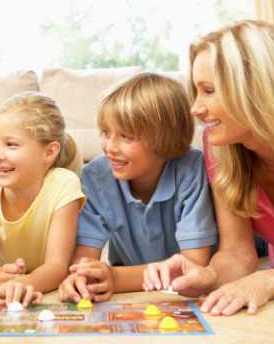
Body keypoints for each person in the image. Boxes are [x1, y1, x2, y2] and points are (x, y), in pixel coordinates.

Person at [143, 19, 274, 315]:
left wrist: (267, 280)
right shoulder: (220, 146)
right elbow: (237, 252)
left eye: (208, 90)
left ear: (256, 90)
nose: (195, 108)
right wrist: (209, 276)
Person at [58, 72, 217, 303]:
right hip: (136, 279)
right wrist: (81, 277)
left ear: (164, 137)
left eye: (126, 136)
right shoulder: (95, 176)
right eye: (105, 133)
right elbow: (84, 258)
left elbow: (193, 264)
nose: (110, 147)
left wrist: (115, 278)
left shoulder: (192, 169)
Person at [0, 91, 86, 307]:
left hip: (38, 279)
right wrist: (0, 277)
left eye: (11, 145)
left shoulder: (64, 184)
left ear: (49, 152)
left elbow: (58, 265)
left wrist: (26, 283)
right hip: (5, 278)